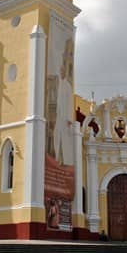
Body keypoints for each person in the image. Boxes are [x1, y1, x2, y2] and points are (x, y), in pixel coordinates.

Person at [52, 38, 74, 166]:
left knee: (65, 138)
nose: (61, 72)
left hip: (65, 116)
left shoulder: (67, 86)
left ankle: (66, 160)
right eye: (60, 70)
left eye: (63, 70)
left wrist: (70, 118)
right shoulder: (58, 83)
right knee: (56, 135)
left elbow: (70, 102)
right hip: (57, 114)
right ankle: (56, 157)